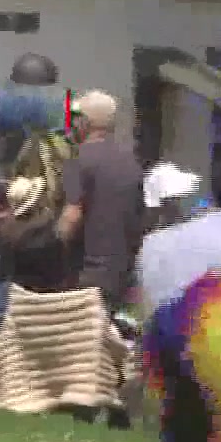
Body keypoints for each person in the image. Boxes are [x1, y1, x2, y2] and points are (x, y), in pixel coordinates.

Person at [56, 91, 145, 312]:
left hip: (86, 276)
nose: (74, 123)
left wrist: (51, 251)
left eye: (76, 118)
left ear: (85, 122)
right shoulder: (131, 162)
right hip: (122, 275)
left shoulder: (79, 161)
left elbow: (72, 216)